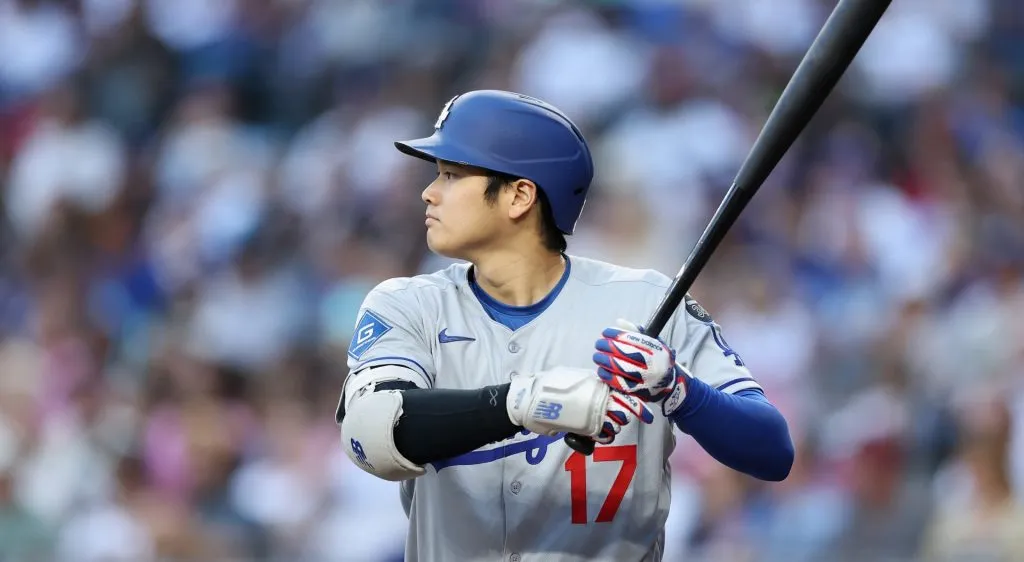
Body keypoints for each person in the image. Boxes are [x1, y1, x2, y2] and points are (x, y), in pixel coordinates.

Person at [336, 90, 795, 562]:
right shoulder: (408, 304)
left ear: (519, 196)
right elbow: (368, 433)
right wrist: (521, 404)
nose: (429, 192)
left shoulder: (647, 303)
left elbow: (772, 450)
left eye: (452, 175)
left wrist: (678, 389)